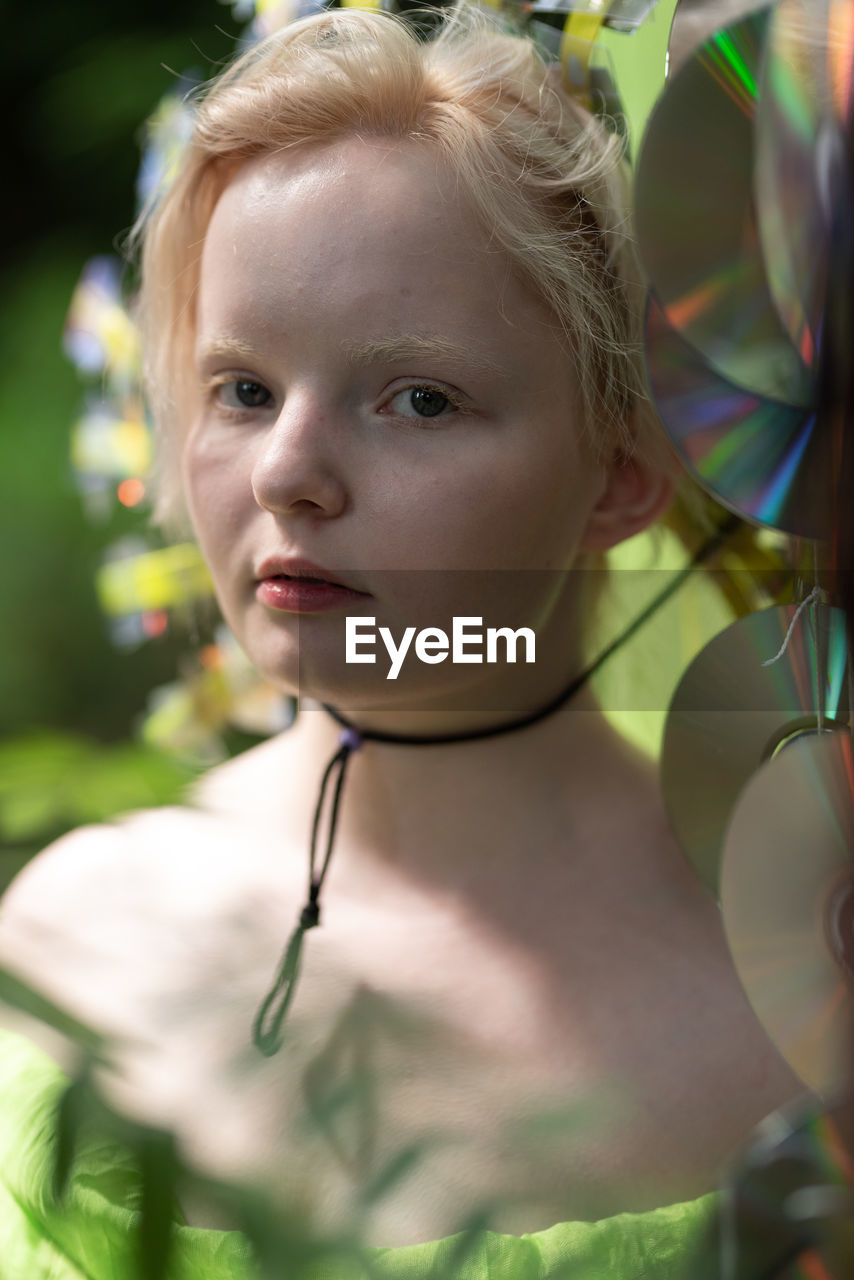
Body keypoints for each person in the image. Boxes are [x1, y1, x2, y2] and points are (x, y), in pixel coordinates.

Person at [0, 3, 803, 1275]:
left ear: (621, 471)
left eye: (417, 398)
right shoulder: (74, 942)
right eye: (241, 389)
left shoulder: (789, 978)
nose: (287, 472)